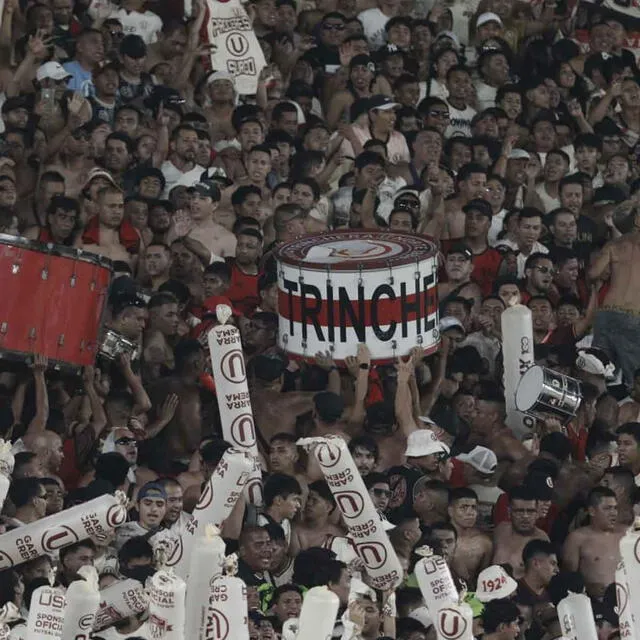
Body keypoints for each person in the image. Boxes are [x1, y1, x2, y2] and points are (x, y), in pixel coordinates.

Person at [562, 487, 624, 598]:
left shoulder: (624, 537)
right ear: (592, 511)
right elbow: (567, 578)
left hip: (627, 601)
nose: (613, 513)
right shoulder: (577, 538)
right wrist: (587, 588)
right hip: (594, 602)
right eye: (607, 508)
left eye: (615, 508)